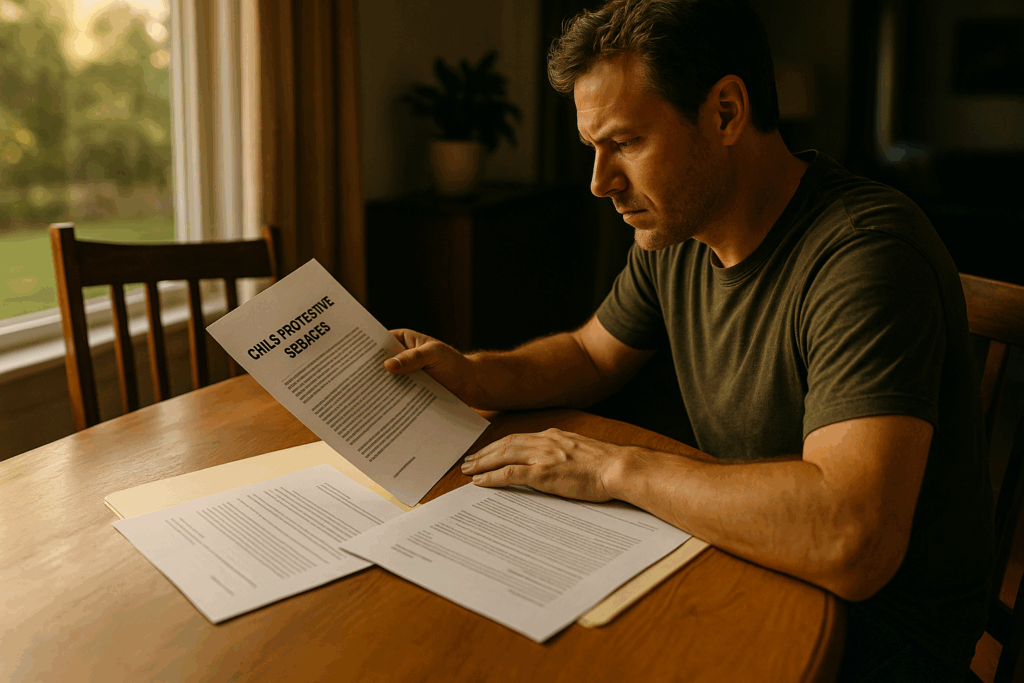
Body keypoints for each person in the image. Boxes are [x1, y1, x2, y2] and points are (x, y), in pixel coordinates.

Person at [385, 0, 994, 679]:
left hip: (886, 630)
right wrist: (472, 373)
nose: (600, 182)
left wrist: (614, 467)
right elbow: (591, 352)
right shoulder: (676, 231)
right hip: (750, 557)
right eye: (594, 148)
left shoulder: (863, 253)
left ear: (726, 113)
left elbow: (850, 538)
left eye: (626, 143)